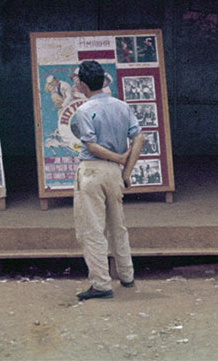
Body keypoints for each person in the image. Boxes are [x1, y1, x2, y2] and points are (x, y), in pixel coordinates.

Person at [71, 60, 145, 301]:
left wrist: (118, 157)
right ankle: (126, 274)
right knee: (117, 225)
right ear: (103, 81)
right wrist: (125, 170)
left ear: (83, 85)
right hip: (114, 173)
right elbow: (139, 138)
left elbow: (91, 145)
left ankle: (101, 283)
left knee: (91, 229)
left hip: (92, 172)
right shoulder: (122, 106)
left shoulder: (83, 111)